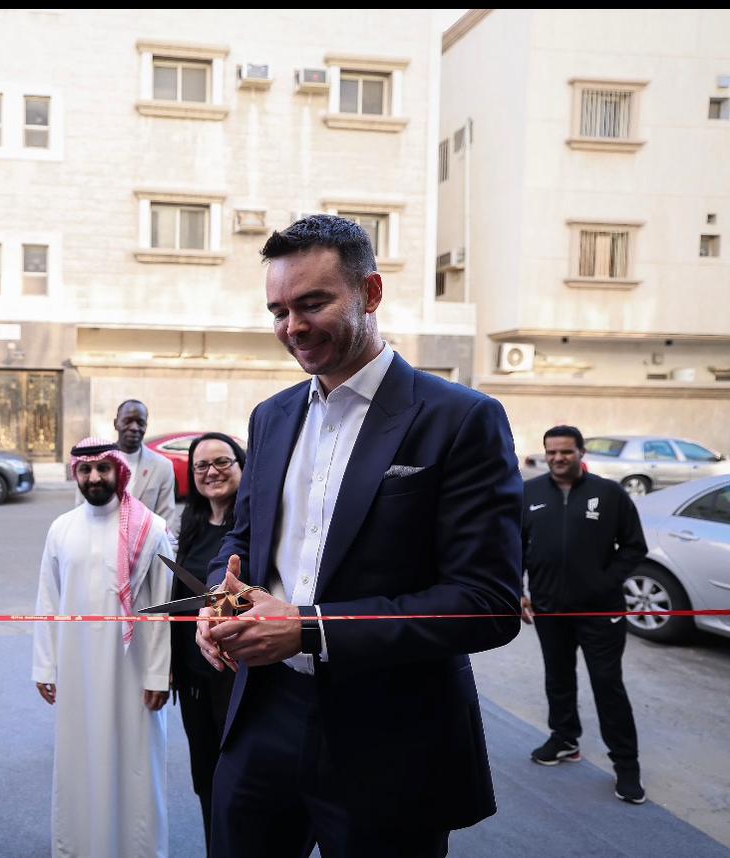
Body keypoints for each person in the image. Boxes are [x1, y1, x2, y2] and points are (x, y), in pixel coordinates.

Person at [195, 214, 523, 857]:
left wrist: (308, 627)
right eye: (279, 310)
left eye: (314, 303)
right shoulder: (272, 416)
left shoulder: (461, 419)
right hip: (264, 714)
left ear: (370, 294)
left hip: (392, 736)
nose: (293, 327)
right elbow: (239, 544)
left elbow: (486, 604)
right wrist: (221, 600)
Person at [33, 437, 174, 857]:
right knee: (79, 763)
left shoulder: (151, 529)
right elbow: (48, 598)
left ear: (119, 471)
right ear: (76, 474)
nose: (94, 477)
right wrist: (45, 666)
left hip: (132, 673)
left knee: (135, 767)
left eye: (103, 469)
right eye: (85, 470)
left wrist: (157, 674)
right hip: (76, 669)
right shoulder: (61, 528)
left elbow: (163, 610)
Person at [522, 425, 648, 804]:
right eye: (552, 452)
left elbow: (633, 546)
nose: (558, 458)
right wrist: (518, 590)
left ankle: (626, 767)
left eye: (566, 452)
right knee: (558, 677)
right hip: (548, 608)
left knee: (607, 685)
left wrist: (605, 583)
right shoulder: (529, 493)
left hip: (600, 611)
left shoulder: (608, 494)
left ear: (581, 453)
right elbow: (511, 545)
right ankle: (564, 739)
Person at [171, 432, 243, 852]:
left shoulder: (253, 526)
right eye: (201, 466)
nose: (211, 472)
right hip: (194, 677)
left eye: (222, 462)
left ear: (241, 466)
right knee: (206, 776)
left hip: (238, 678)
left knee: (239, 778)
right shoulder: (192, 523)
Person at [76, 399, 177, 534]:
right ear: (115, 423)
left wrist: (159, 554)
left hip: (145, 551)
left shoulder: (162, 466)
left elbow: (166, 521)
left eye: (140, 423)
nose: (134, 427)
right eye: (128, 421)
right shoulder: (93, 463)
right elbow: (81, 511)